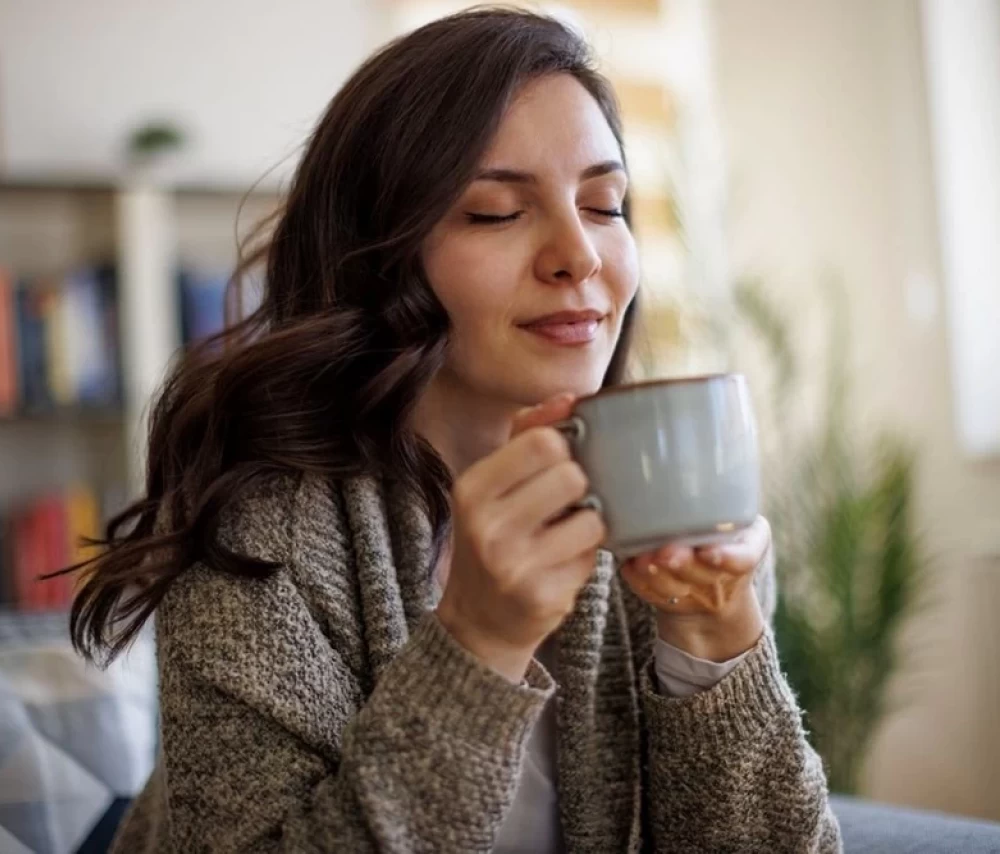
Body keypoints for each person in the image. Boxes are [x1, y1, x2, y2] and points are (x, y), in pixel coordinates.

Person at [66, 8, 841, 852]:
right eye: (496, 212)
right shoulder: (258, 535)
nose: (577, 255)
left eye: (604, 203)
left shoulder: (664, 509)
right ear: (381, 258)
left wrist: (716, 642)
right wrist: (479, 640)